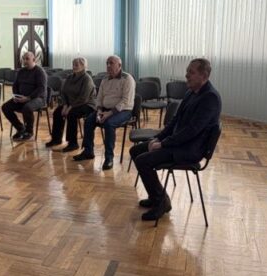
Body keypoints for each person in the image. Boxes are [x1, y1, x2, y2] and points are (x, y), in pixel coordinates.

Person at [131, 59, 221, 221]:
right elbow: (175, 122)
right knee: (135, 150)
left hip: (190, 149)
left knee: (143, 161)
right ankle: (156, 196)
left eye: (191, 72)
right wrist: (157, 138)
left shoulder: (210, 98)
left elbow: (192, 131)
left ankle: (161, 202)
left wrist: (163, 144)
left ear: (204, 76)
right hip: (180, 143)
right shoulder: (191, 92)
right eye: (187, 71)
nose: (186, 75)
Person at [74, 55, 136, 170]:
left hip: (123, 111)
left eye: (111, 63)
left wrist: (109, 113)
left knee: (109, 123)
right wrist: (99, 111)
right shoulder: (105, 79)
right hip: (105, 110)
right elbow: (99, 98)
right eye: (107, 63)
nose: (108, 65)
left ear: (119, 65)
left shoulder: (127, 79)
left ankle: (109, 158)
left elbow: (125, 101)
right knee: (89, 121)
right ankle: (88, 151)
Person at [46, 57, 95, 152]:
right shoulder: (70, 77)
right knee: (57, 112)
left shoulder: (86, 79)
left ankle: (73, 143)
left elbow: (83, 98)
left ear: (83, 66)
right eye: (73, 64)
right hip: (70, 104)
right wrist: (65, 105)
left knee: (71, 114)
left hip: (87, 104)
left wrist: (70, 107)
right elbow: (63, 92)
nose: (74, 67)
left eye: (76, 65)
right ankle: (56, 139)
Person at [1, 51, 47, 141]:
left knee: (27, 108)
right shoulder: (21, 71)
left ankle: (29, 132)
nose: (25, 61)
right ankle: (20, 128)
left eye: (27, 59)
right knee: (5, 107)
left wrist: (28, 98)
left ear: (34, 60)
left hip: (38, 98)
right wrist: (16, 96)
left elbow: (41, 89)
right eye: (24, 59)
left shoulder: (40, 71)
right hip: (22, 97)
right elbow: (15, 85)